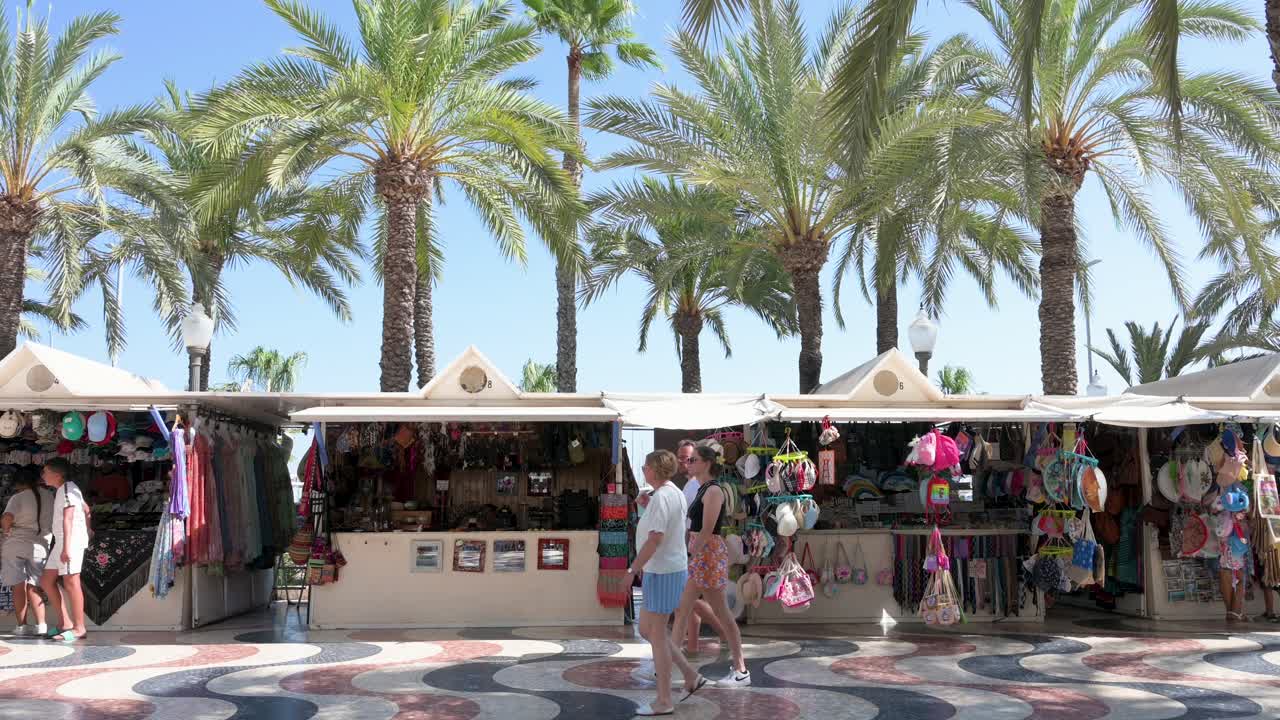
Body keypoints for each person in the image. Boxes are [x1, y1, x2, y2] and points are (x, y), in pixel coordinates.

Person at [625, 450, 711, 716]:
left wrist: (633, 569)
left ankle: (664, 700)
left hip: (662, 572)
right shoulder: (670, 492)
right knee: (650, 631)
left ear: (654, 469)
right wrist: (646, 504)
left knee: (656, 635)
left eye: (645, 466)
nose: (643, 470)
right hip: (666, 570)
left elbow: (656, 538)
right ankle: (689, 675)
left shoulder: (663, 496)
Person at [674, 444, 751, 686]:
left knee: (715, 613)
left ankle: (740, 669)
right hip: (702, 554)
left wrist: (691, 554)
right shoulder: (703, 489)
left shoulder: (713, 490)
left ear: (706, 463)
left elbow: (707, 529)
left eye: (693, 460)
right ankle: (667, 664)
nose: (689, 464)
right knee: (684, 609)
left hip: (706, 554)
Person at [39, 458, 90, 642]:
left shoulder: (67, 489)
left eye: (45, 472)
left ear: (57, 474)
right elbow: (86, 509)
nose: (43, 475)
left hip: (70, 541)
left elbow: (68, 518)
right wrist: (88, 529)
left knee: (71, 582)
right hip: (63, 540)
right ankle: (65, 623)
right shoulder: (67, 489)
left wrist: (67, 547)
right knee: (46, 580)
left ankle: (79, 627)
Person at [1, 468, 53, 636]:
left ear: (19, 483)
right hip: (40, 546)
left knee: (18, 586)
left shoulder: (18, 497)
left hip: (16, 545)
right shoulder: (49, 496)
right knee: (34, 586)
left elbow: (7, 517)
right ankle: (42, 625)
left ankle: (22, 626)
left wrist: (5, 532)